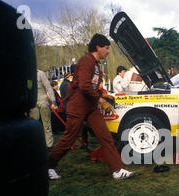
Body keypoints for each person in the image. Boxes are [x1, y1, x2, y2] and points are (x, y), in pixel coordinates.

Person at [47, 33, 135, 180]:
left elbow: (93, 86)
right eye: (106, 48)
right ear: (98, 47)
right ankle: (48, 166)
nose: (108, 51)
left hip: (90, 107)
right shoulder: (86, 61)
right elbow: (83, 85)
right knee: (69, 138)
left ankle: (117, 170)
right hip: (78, 106)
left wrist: (104, 94)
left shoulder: (96, 66)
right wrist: (101, 100)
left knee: (105, 137)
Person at [30, 69, 57, 149]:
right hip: (33, 103)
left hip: (43, 101)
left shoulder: (41, 73)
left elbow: (48, 87)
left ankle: (49, 145)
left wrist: (53, 101)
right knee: (34, 125)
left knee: (46, 124)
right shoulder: (28, 74)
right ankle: (37, 144)